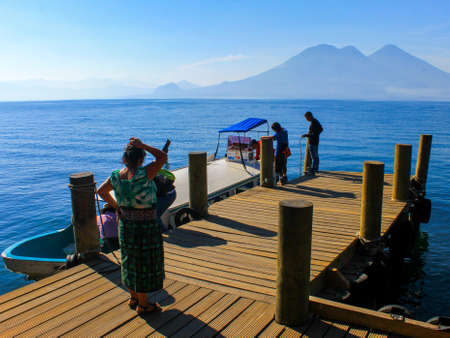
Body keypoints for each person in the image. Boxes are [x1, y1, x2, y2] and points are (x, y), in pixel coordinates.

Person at [98, 137, 167, 314]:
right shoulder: (145, 174)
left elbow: (101, 192)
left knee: (129, 259)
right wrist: (143, 144)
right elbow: (162, 157)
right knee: (144, 261)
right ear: (141, 159)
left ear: (124, 159)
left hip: (126, 224)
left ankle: (134, 297)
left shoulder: (116, 176)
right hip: (146, 226)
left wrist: (117, 206)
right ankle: (143, 305)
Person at [302, 111, 323, 176]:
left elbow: (314, 133)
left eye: (306, 118)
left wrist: (307, 135)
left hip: (313, 142)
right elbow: (321, 129)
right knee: (315, 156)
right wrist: (316, 134)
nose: (306, 119)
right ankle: (315, 169)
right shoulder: (315, 121)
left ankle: (312, 170)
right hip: (315, 141)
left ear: (309, 116)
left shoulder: (314, 123)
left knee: (314, 157)